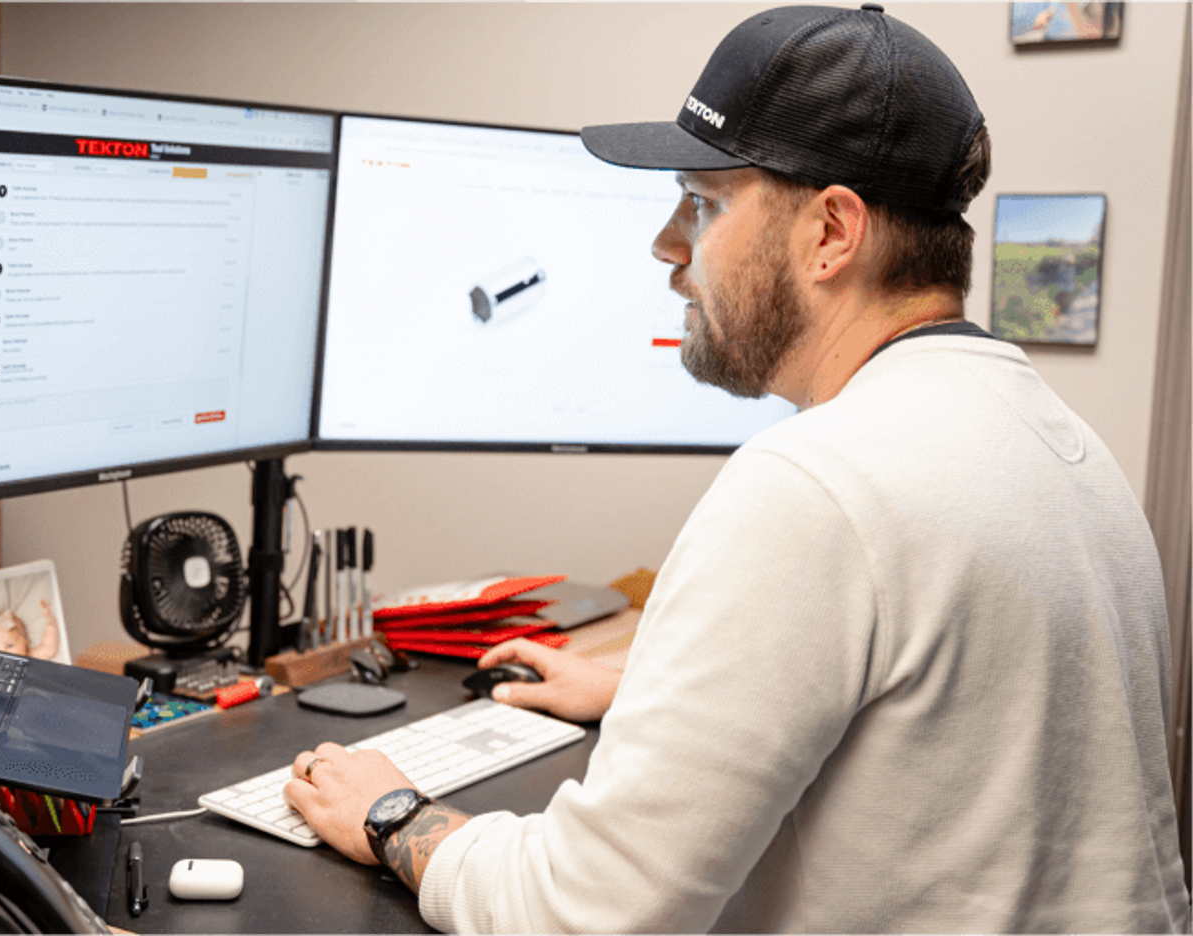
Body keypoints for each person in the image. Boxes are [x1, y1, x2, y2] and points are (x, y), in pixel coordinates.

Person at [282, 4, 1191, 933]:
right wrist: (653, 693)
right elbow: (960, 727)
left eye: (704, 203)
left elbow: (582, 914)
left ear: (832, 233)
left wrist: (392, 813)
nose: (669, 247)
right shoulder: (1058, 442)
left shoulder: (817, 483)